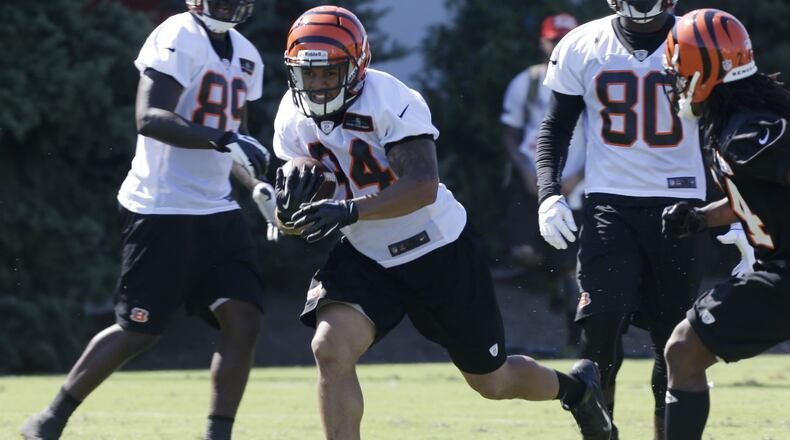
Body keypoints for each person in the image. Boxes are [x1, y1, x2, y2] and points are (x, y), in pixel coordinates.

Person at [272, 5, 612, 440]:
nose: (317, 86)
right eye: (308, 74)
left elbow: (421, 185)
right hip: (368, 253)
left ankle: (577, 389)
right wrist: (294, 196)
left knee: (493, 381)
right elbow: (305, 185)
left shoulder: (390, 100)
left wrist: (349, 209)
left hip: (437, 248)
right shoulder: (291, 114)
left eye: (329, 73)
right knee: (330, 347)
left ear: (356, 67)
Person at [20, 1, 273, 439]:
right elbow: (150, 117)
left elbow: (236, 144)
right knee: (139, 331)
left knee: (244, 319)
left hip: (217, 208)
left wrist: (255, 186)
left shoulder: (247, 55)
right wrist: (225, 140)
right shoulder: (178, 34)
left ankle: (218, 434)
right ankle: (51, 417)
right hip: (163, 207)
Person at [533, 1, 751, 438]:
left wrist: (740, 212)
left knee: (671, 343)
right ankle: (601, 431)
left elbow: (732, 127)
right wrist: (549, 194)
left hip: (682, 208)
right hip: (610, 205)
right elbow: (556, 127)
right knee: (598, 330)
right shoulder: (583, 43)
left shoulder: (697, 38)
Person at [660, 9, 790, 440]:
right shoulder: (737, 125)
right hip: (777, 270)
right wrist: (701, 218)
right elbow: (753, 198)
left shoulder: (752, 131)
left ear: (702, 72)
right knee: (684, 350)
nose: (675, 83)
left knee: (683, 350)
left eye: (679, 72)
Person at [500, 12, 584, 354]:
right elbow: (510, 132)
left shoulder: (592, 79)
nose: (559, 45)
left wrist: (578, 178)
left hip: (576, 186)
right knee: (524, 252)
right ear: (543, 42)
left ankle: (575, 341)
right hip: (531, 181)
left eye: (567, 38)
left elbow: (608, 138)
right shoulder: (529, 81)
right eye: (554, 39)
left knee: (574, 270)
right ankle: (548, 280)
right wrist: (527, 173)